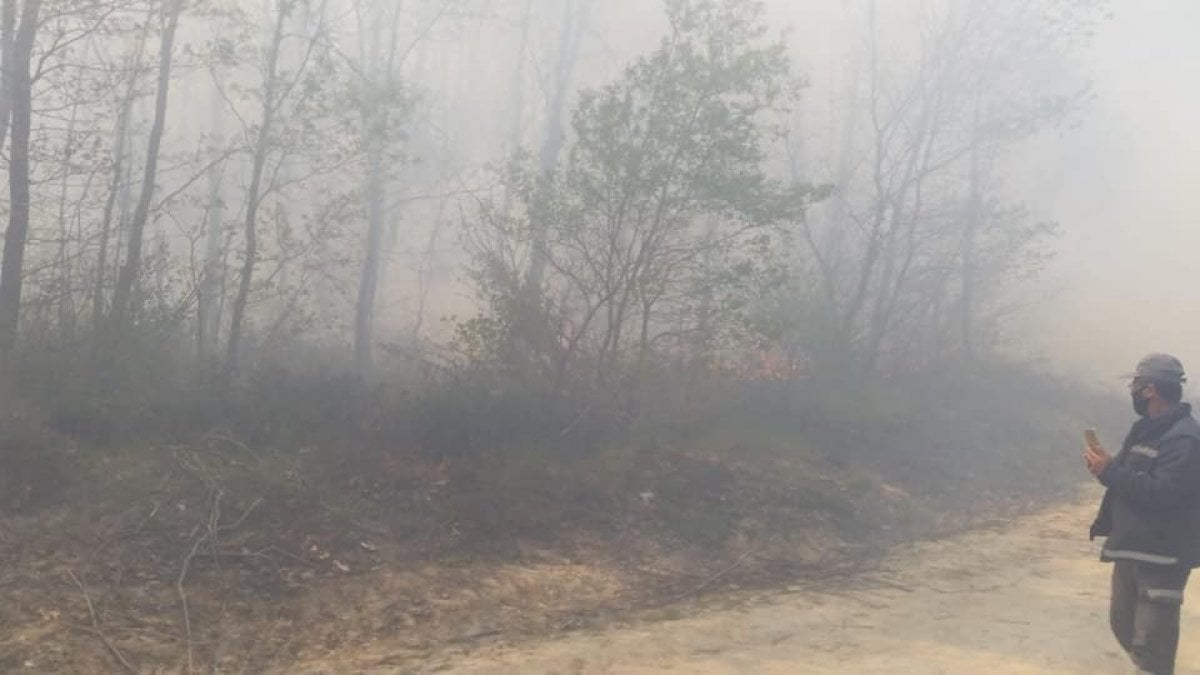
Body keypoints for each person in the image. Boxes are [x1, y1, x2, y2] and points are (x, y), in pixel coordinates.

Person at [1086, 353, 1200, 675]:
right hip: (1131, 549)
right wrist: (1105, 467)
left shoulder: (1185, 438)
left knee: (1152, 645)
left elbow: (1162, 494)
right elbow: (1124, 478)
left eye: (1136, 384)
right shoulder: (1145, 430)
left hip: (1161, 558)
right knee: (1123, 625)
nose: (1133, 390)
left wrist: (1111, 472)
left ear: (1150, 390)